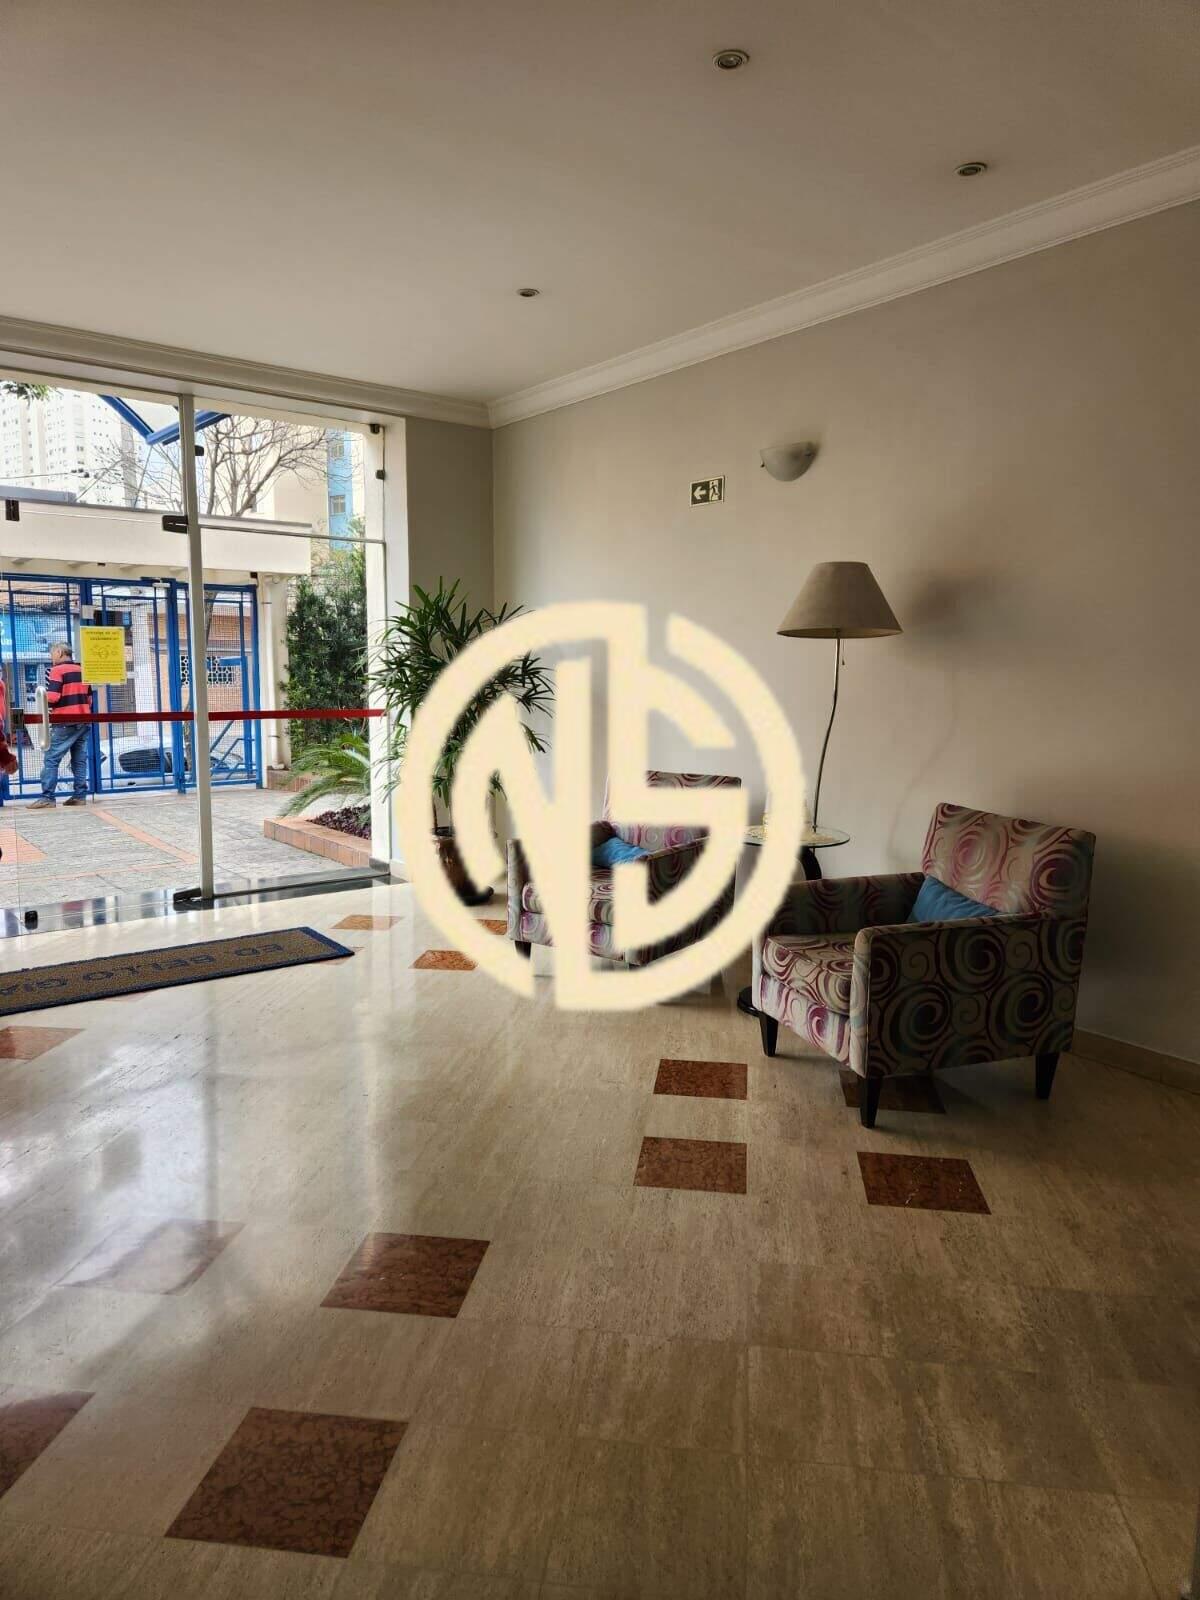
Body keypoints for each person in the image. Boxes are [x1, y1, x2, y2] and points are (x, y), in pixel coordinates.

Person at [29, 641, 93, 809]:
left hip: (64, 722)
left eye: (52, 654)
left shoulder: (57, 670)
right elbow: (89, 699)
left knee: (51, 759)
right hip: (84, 720)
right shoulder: (82, 669)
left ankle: (47, 797)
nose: (51, 657)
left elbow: (53, 697)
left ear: (59, 652)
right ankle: (80, 796)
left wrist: (41, 695)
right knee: (79, 760)